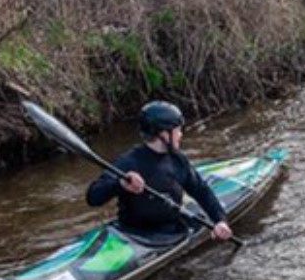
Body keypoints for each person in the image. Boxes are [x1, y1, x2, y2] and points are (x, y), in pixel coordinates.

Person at [85, 100, 233, 242]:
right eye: (178, 130)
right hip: (133, 234)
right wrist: (120, 184)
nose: (181, 134)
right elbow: (93, 197)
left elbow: (201, 191)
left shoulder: (178, 160)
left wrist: (220, 220)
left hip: (170, 230)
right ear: (163, 134)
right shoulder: (129, 162)